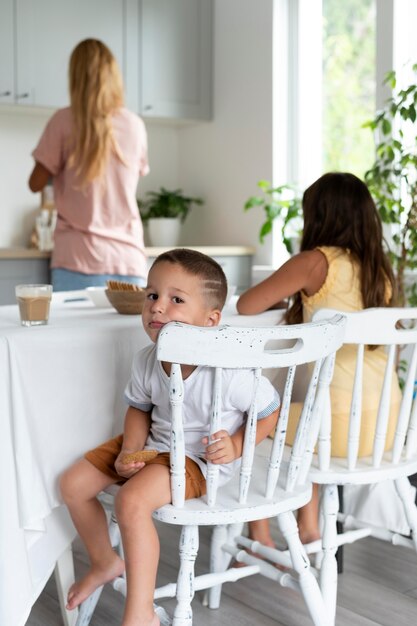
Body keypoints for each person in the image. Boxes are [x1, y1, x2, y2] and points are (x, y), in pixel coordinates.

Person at [60, 248, 280, 626]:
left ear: (210, 320)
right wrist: (130, 447)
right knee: (73, 483)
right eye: (152, 295)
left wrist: (239, 444)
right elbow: (139, 408)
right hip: (153, 444)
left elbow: (269, 411)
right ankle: (104, 560)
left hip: (197, 458)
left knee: (130, 503)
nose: (158, 307)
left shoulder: (227, 370)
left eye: (176, 300)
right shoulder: (148, 358)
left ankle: (140, 612)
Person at [237, 171, 401, 548]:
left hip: (340, 427)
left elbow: (247, 305)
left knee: (253, 419)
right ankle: (309, 527)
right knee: (306, 421)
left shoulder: (314, 262)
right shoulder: (379, 270)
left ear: (320, 217)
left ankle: (257, 538)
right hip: (387, 427)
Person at [28, 38, 149, 292]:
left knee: (69, 334)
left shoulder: (62, 121)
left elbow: (35, 183)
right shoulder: (134, 125)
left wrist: (60, 168)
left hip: (75, 258)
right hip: (127, 259)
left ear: (76, 77)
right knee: (125, 334)